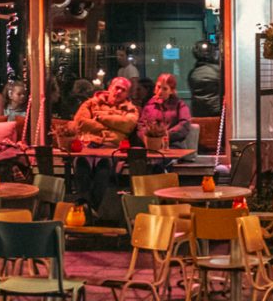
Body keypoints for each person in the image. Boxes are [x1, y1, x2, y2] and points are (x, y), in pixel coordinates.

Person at [65, 76, 139, 214]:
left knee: (103, 166)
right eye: (117, 88)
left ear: (127, 94)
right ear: (110, 88)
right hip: (88, 143)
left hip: (110, 146)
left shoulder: (130, 109)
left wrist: (99, 117)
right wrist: (110, 126)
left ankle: (90, 208)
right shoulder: (91, 103)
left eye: (123, 90)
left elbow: (127, 125)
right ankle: (84, 206)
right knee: (81, 163)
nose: (118, 92)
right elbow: (80, 122)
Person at [137, 74, 199, 159]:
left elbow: (184, 124)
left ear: (171, 91)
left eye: (165, 89)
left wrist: (165, 136)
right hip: (151, 146)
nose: (160, 91)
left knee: (160, 161)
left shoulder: (180, 105)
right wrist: (147, 138)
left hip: (173, 145)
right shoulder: (149, 105)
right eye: (158, 87)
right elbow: (141, 125)